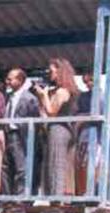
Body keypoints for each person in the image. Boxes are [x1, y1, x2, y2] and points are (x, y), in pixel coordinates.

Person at [34, 58, 79, 195]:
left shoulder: (63, 91)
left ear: (60, 71)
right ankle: (54, 196)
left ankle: (57, 197)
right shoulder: (63, 90)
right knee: (52, 163)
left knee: (56, 164)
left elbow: (51, 111)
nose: (50, 74)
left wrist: (43, 95)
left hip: (59, 129)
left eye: (52, 71)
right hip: (58, 129)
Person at [2, 68, 40, 195]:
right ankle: (8, 197)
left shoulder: (30, 98)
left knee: (21, 167)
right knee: (6, 167)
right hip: (7, 135)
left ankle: (22, 197)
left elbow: (35, 120)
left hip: (20, 136)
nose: (7, 81)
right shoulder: (8, 97)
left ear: (20, 80)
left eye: (10, 79)